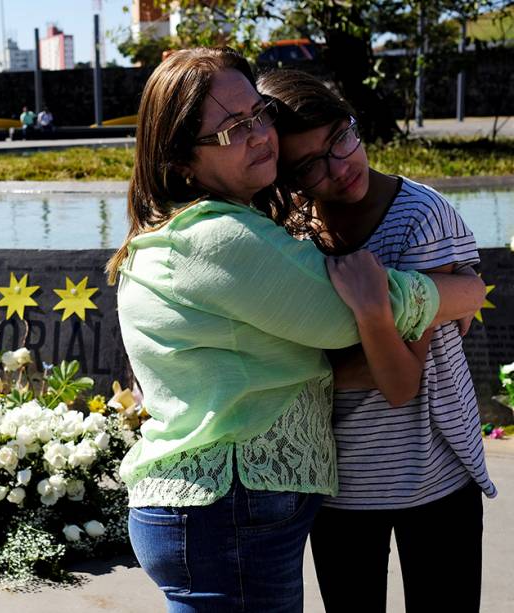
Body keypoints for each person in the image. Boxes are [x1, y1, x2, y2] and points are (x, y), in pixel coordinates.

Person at [105, 47, 486, 612]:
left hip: (419, 477)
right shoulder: (247, 235)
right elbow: (354, 335)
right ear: (183, 158)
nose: (258, 133)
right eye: (233, 129)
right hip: (288, 499)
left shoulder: (413, 216)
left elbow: (321, 363)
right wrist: (460, 293)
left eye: (257, 114)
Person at [258, 68, 497, 613]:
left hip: (437, 475)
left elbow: (400, 384)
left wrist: (367, 315)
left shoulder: (420, 216)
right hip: (339, 486)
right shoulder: (291, 234)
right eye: (310, 165)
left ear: (351, 121)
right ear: (287, 179)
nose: (340, 168)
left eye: (341, 138)